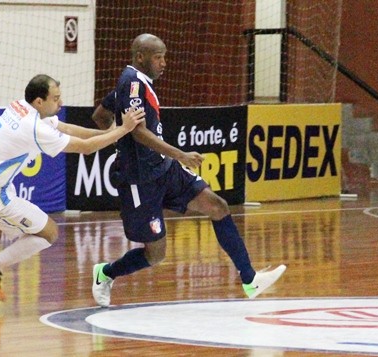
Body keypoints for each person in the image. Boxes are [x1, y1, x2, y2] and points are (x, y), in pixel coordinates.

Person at [91, 34, 286, 307]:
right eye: (158, 57)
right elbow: (138, 133)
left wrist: (114, 136)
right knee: (156, 254)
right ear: (140, 57)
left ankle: (250, 279)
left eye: (164, 57)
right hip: (140, 179)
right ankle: (106, 273)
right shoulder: (132, 83)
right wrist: (177, 154)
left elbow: (101, 115)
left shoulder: (134, 83)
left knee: (217, 205)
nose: (164, 63)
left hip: (164, 169)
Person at [0, 74, 145, 306]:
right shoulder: (34, 128)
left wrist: (114, 135)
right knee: (49, 232)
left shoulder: (20, 106)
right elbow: (87, 149)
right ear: (39, 101)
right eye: (56, 99)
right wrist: (124, 129)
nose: (61, 103)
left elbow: (69, 129)